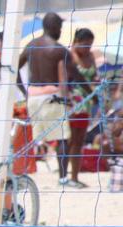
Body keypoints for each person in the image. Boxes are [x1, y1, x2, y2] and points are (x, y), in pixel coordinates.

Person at [18, 12, 75, 187]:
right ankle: (63, 177)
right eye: (60, 27)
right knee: (63, 138)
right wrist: (67, 99)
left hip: (33, 97)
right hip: (53, 96)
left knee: (35, 138)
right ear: (54, 27)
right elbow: (65, 78)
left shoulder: (31, 46)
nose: (61, 30)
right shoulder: (60, 50)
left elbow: (14, 71)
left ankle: (24, 173)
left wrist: (25, 91)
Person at [67, 28, 97, 188]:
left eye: (90, 45)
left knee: (80, 140)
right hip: (73, 103)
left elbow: (93, 76)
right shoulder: (69, 56)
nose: (88, 49)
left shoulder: (90, 56)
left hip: (87, 102)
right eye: (85, 45)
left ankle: (74, 176)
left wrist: (97, 82)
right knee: (71, 140)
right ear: (76, 42)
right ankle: (68, 176)